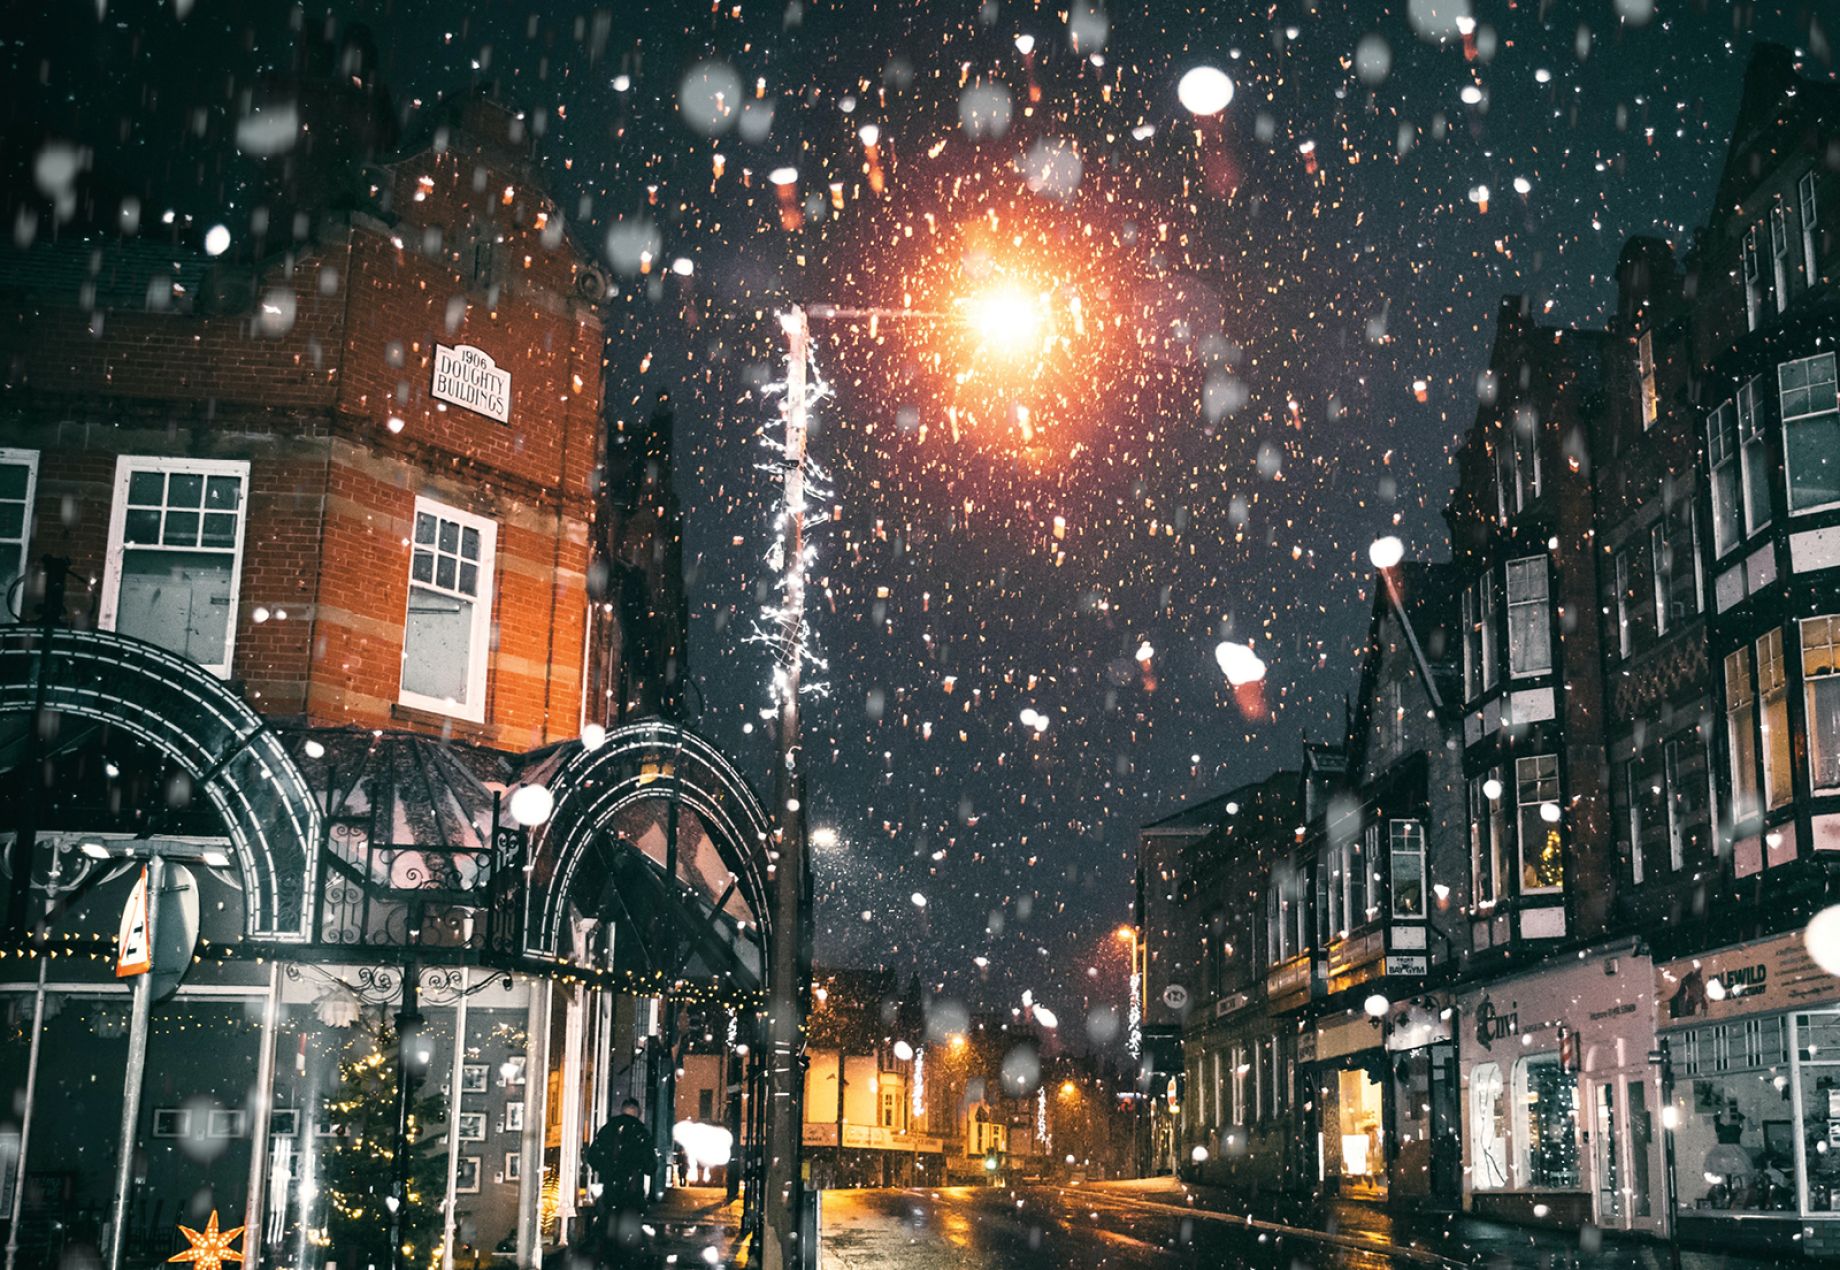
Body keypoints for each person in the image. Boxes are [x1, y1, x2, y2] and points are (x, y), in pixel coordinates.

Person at [584, 1097, 658, 1262]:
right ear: (638, 1113)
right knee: (629, 1240)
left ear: (622, 1110)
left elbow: (593, 1158)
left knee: (609, 1233)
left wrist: (607, 1168)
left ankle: (609, 1258)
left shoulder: (608, 1130)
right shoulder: (641, 1132)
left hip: (611, 1190)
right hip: (632, 1192)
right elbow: (650, 1167)